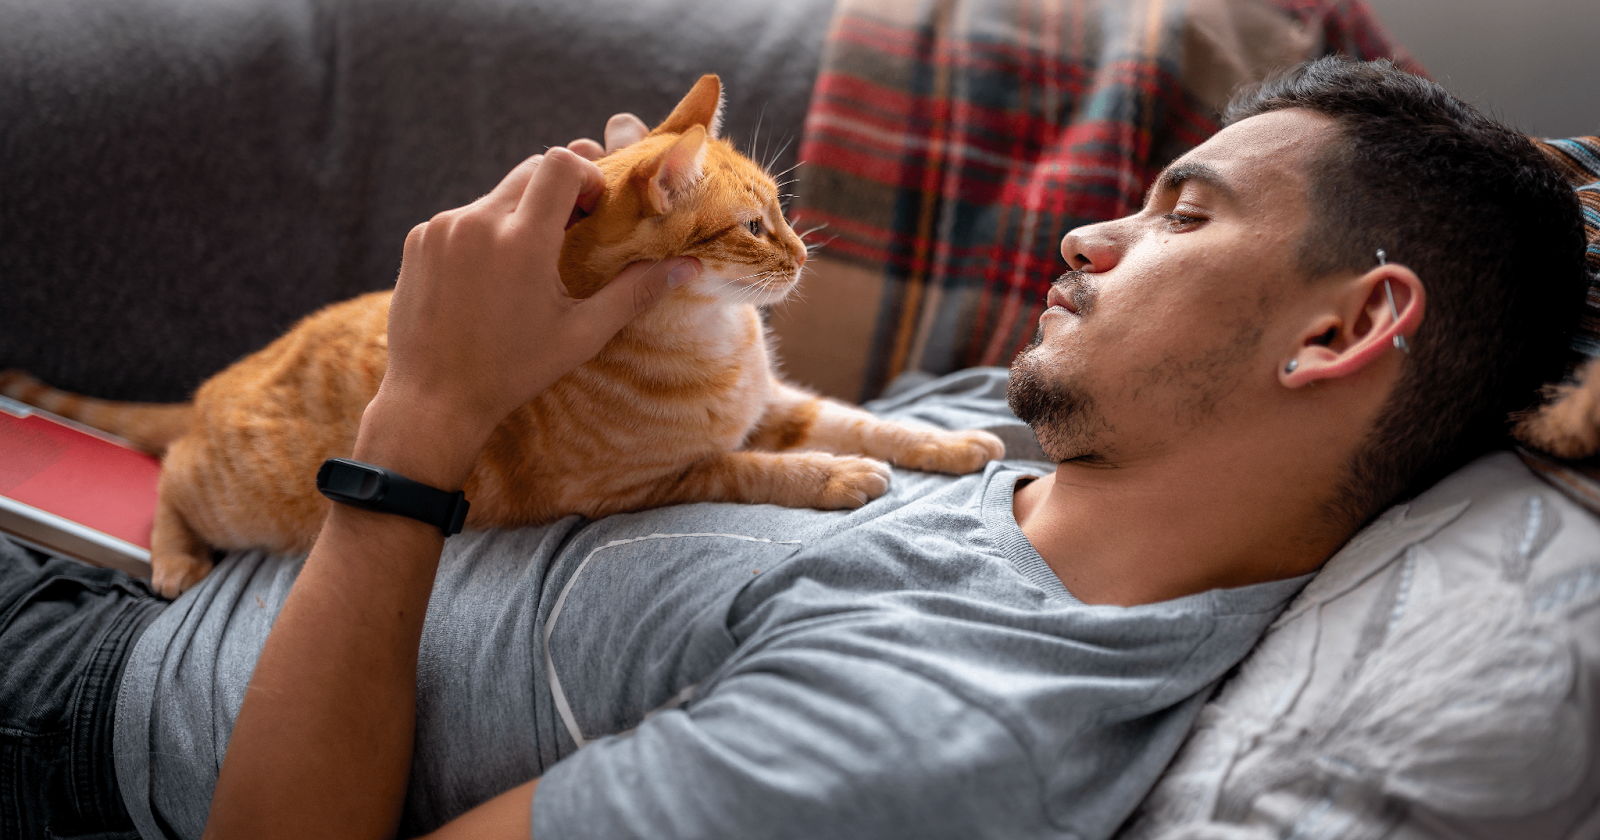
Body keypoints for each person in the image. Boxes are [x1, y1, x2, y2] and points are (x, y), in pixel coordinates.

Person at [1, 58, 1586, 840]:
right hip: (147, 563)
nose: (1093, 230)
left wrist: (427, 413)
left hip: (81, 735)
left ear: (1339, 333)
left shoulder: (929, 729)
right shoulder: (1014, 437)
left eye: (1182, 212)